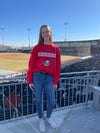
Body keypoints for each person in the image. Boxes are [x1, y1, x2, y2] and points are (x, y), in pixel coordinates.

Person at [27, 25, 61, 132]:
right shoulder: (37, 47)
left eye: (47, 32)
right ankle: (41, 119)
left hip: (49, 78)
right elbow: (31, 64)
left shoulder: (56, 49)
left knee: (52, 101)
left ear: (50, 33)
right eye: (43, 32)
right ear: (41, 35)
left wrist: (55, 81)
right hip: (37, 77)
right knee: (38, 100)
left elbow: (58, 66)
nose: (45, 34)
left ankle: (48, 117)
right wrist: (30, 80)